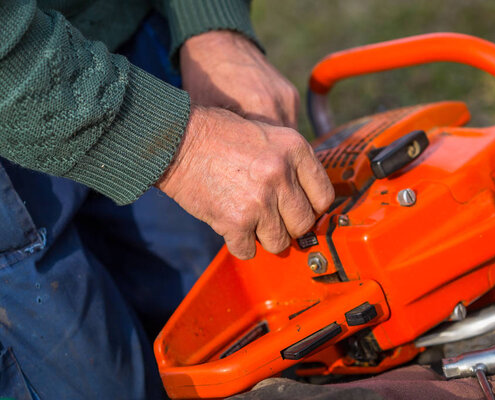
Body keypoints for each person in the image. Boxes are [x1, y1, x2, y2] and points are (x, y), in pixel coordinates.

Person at [0, 0, 334, 398]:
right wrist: (187, 149)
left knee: (236, 329)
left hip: (121, 36)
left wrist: (212, 27)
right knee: (103, 384)